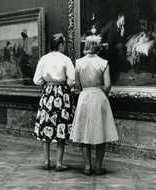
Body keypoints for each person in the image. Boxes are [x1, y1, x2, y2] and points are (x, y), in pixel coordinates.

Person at [71, 35, 119, 175]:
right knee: (100, 133)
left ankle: (87, 166)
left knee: (85, 133)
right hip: (99, 97)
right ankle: (98, 166)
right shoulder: (103, 63)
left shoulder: (79, 63)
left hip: (84, 97)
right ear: (98, 47)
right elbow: (108, 85)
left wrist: (86, 89)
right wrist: (100, 90)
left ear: (86, 46)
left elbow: (77, 86)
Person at [32, 33, 75, 171]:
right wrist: (66, 85)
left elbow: (37, 80)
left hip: (47, 93)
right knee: (61, 126)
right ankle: (58, 163)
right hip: (62, 94)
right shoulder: (66, 59)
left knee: (47, 126)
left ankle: (46, 161)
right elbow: (72, 79)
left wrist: (47, 82)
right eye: (63, 44)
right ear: (60, 44)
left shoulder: (43, 59)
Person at [101, 12, 126, 82]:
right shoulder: (111, 24)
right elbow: (103, 31)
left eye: (124, 21)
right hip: (108, 43)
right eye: (122, 20)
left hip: (115, 45)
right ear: (119, 19)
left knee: (121, 46)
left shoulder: (122, 28)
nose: (123, 22)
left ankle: (119, 70)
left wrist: (122, 34)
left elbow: (121, 41)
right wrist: (103, 42)